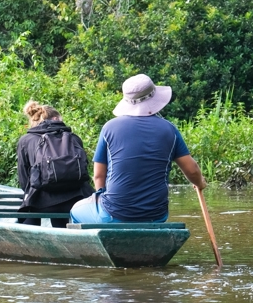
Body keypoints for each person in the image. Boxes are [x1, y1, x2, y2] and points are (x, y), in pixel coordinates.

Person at [69, 73, 206, 225]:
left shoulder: (109, 128)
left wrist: (103, 200)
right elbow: (192, 170)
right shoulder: (169, 130)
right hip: (157, 215)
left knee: (75, 210)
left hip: (113, 214)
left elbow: (98, 176)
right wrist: (200, 184)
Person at [16, 101, 93, 228]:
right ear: (56, 118)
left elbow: (24, 179)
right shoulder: (73, 138)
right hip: (77, 199)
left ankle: (31, 241)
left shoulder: (26, 140)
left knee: (27, 210)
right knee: (62, 215)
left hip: (41, 201)